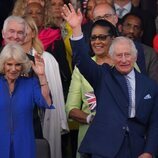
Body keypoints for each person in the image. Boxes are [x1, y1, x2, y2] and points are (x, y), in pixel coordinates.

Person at [62, 3, 158, 158]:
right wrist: (76, 29)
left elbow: (155, 123)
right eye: (119, 55)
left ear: (135, 57)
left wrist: (149, 152)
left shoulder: (149, 86)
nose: (124, 59)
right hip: (104, 150)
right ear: (112, 57)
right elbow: (82, 61)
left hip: (137, 150)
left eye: (127, 55)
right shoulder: (103, 76)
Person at [66, 19, 117, 158]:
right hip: (89, 136)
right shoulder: (81, 68)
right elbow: (70, 108)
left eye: (102, 37)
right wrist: (91, 119)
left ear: (113, 39)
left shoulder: (125, 64)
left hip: (119, 137)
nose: (97, 41)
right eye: (93, 37)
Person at [22, 15, 69, 158]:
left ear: (33, 33)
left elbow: (57, 93)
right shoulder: (6, 58)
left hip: (44, 117)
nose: (21, 33)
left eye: (25, 29)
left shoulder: (47, 59)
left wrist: (61, 120)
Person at [0, 43, 53, 158]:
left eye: (18, 65)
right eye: (9, 64)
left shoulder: (30, 83)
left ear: (23, 65)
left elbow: (47, 102)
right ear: (3, 65)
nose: (13, 69)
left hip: (25, 146)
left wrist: (42, 75)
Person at [118, 13, 158, 83]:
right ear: (120, 28)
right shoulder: (111, 49)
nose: (131, 31)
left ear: (141, 33)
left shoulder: (150, 53)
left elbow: (154, 83)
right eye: (128, 25)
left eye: (136, 27)